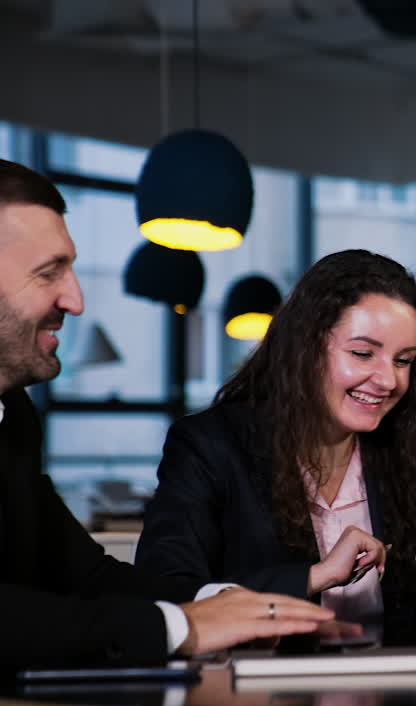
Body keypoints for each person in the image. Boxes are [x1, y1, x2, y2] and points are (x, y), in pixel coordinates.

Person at [0, 159, 333, 668]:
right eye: (48, 273)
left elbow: (86, 577)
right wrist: (180, 627)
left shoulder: (15, 419)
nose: (76, 298)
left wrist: (220, 603)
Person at [136, 249, 416, 638]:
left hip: (393, 694)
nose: (388, 381)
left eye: (404, 361)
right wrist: (312, 577)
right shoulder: (212, 445)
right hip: (256, 694)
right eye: (362, 353)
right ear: (305, 347)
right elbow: (164, 590)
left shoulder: (403, 453)